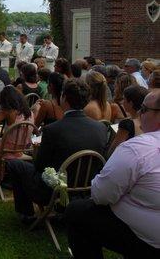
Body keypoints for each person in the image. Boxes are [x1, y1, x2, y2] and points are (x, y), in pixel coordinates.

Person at [64, 90, 160, 258]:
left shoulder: (137, 148)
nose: (139, 113)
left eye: (144, 109)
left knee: (77, 211)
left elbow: (101, 195)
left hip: (148, 239)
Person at [5, 79, 107, 222]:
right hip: (86, 187)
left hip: (54, 189)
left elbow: (39, 165)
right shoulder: (101, 128)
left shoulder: (53, 130)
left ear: (63, 98)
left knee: (15, 164)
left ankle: (27, 213)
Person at [107, 85, 148, 155]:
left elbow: (113, 150)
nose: (122, 102)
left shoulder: (127, 124)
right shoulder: (149, 121)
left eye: (124, 99)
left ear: (131, 103)